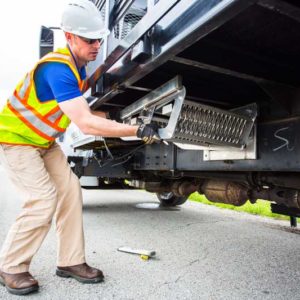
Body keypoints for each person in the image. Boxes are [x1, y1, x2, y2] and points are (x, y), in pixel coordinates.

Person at [0, 0, 158, 296]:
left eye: (99, 38)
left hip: (43, 143)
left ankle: (70, 262)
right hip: (16, 141)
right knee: (42, 200)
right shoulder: (57, 70)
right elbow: (86, 123)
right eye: (89, 39)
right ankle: (11, 266)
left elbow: (87, 102)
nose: (97, 44)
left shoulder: (76, 67)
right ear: (69, 37)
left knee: (71, 191)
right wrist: (136, 130)